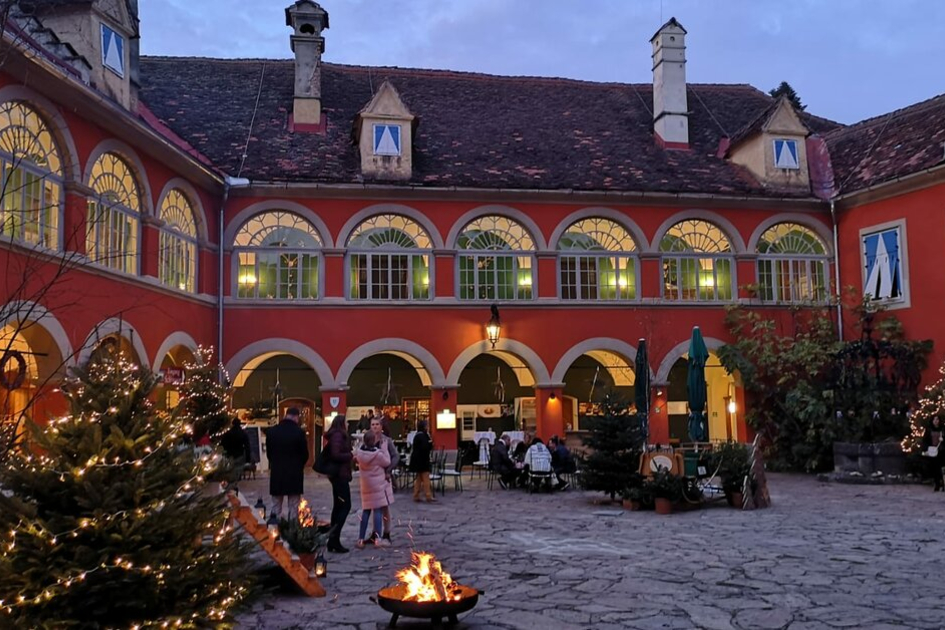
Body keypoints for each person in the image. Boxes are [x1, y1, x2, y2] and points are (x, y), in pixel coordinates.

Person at [264, 407, 309, 519]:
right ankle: (292, 531)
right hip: (294, 473)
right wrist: (299, 465)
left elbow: (269, 454)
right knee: (293, 506)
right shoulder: (299, 432)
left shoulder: (272, 432)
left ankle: (274, 529)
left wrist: (275, 463)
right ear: (295, 417)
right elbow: (304, 454)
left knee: (276, 505)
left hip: (277, 472)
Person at [354, 431, 393, 548]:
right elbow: (387, 462)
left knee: (366, 511)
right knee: (377, 511)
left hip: (366, 485)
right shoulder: (378, 455)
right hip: (377, 485)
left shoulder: (360, 454)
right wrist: (384, 448)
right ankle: (377, 538)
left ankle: (360, 539)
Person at [324, 414, 354, 553]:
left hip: (338, 475)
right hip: (339, 476)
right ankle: (334, 539)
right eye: (346, 422)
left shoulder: (337, 435)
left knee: (338, 506)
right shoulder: (338, 435)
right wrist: (350, 455)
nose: (348, 424)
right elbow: (335, 454)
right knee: (345, 506)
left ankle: (333, 539)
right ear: (342, 423)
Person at [367, 416, 399, 542]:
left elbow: (395, 456)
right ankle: (375, 532)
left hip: (383, 477)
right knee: (374, 506)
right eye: (373, 424)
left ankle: (386, 532)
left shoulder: (386, 441)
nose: (374, 427)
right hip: (372, 478)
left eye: (377, 424)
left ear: (381, 427)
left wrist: (389, 470)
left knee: (384, 506)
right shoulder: (368, 440)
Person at [409, 419, 436, 503]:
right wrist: (430, 444)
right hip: (422, 460)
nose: (428, 427)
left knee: (419, 478)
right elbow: (425, 447)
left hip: (417, 460)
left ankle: (416, 495)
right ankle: (428, 495)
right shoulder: (422, 436)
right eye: (427, 425)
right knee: (425, 477)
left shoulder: (418, 435)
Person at [922, 416, 945, 492]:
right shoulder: (929, 429)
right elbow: (925, 440)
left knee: (942, 468)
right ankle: (937, 483)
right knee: (935, 468)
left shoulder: (942, 429)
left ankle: (943, 484)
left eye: (937, 419)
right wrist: (925, 449)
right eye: (934, 419)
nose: (936, 421)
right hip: (932, 451)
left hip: (941, 451)